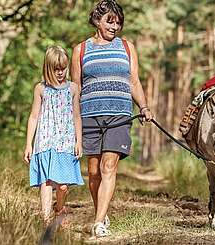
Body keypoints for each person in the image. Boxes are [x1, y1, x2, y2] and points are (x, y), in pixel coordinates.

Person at [71, 0, 153, 238]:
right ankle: (102, 211)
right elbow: (76, 87)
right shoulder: (81, 50)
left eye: (118, 22)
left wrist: (144, 106)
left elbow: (134, 82)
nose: (115, 26)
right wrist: (70, 117)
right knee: (94, 171)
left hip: (119, 115)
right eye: (110, 21)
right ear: (97, 20)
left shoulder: (127, 47)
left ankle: (98, 223)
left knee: (109, 166)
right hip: (88, 116)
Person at [23, 46, 84, 227]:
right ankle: (46, 219)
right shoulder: (41, 89)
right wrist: (29, 144)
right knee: (47, 182)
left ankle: (60, 208)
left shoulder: (72, 88)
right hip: (45, 141)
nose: (60, 72)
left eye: (63, 68)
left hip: (65, 142)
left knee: (63, 186)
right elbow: (34, 116)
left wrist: (78, 141)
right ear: (47, 68)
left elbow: (76, 116)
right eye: (56, 69)